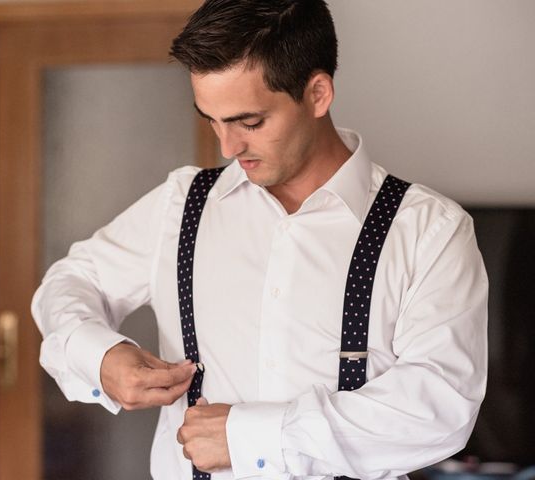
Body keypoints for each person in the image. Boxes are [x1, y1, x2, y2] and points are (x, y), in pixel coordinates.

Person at [31, 0, 488, 479]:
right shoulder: (182, 204)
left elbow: (440, 409)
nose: (227, 148)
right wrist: (99, 356)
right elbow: (70, 282)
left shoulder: (428, 232)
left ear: (317, 94)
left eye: (249, 122)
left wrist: (251, 437)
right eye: (212, 119)